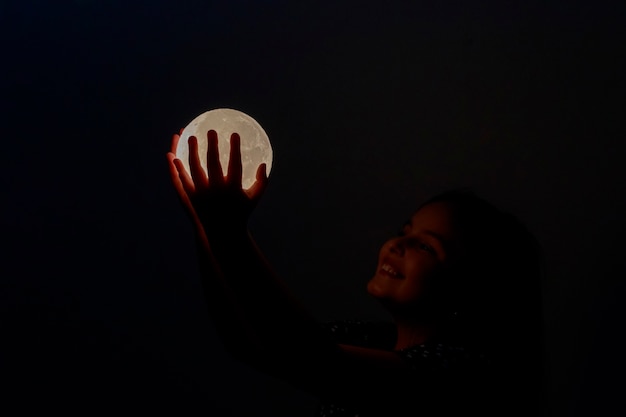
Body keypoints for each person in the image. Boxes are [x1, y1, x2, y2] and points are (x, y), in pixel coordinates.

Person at [166, 130, 545, 416]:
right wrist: (207, 230)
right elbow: (251, 344)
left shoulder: (464, 375)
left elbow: (314, 360)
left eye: (426, 246)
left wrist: (229, 233)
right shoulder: (372, 339)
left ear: (470, 289)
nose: (398, 245)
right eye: (404, 231)